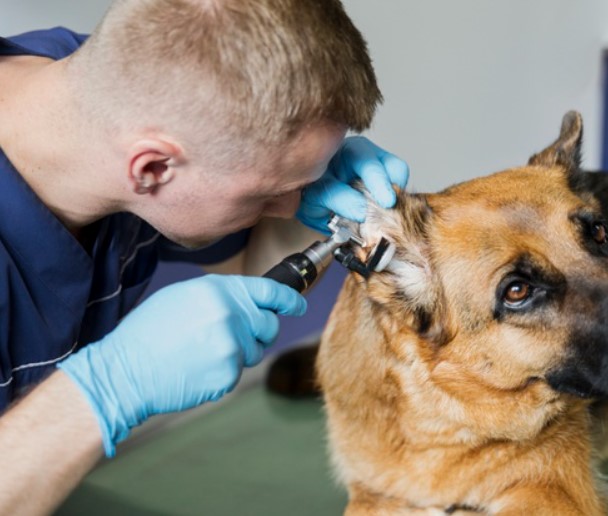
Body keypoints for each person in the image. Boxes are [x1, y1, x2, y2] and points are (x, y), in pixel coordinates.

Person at [0, 0, 409, 513]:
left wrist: (315, 196)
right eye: (271, 195)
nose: (285, 207)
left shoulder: (112, 93)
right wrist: (104, 392)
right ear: (151, 169)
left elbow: (240, 256)